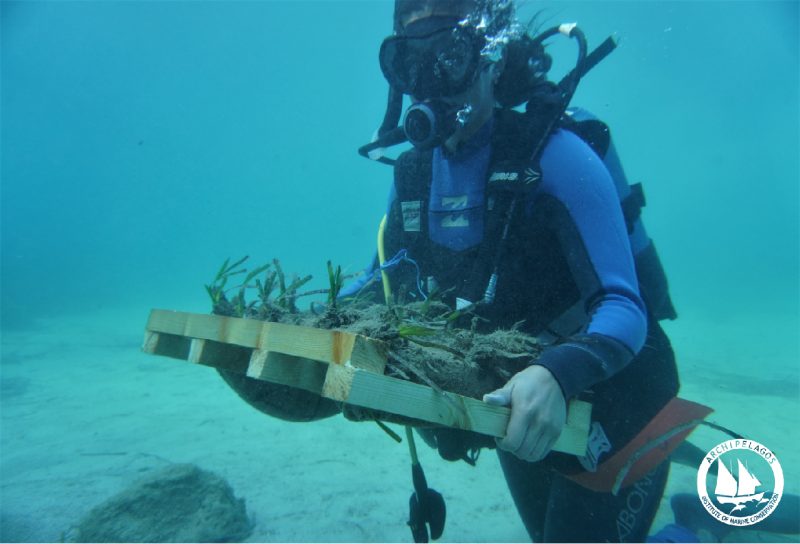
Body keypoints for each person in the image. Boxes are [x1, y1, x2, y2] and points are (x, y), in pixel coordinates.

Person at [345, 0, 691, 541]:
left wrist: (556, 373)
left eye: (449, 57)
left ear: (489, 58)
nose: (429, 83)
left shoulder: (556, 157)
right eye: (408, 64)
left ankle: (699, 531)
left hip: (625, 401)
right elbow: (375, 288)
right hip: (525, 406)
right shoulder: (413, 176)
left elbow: (625, 308)